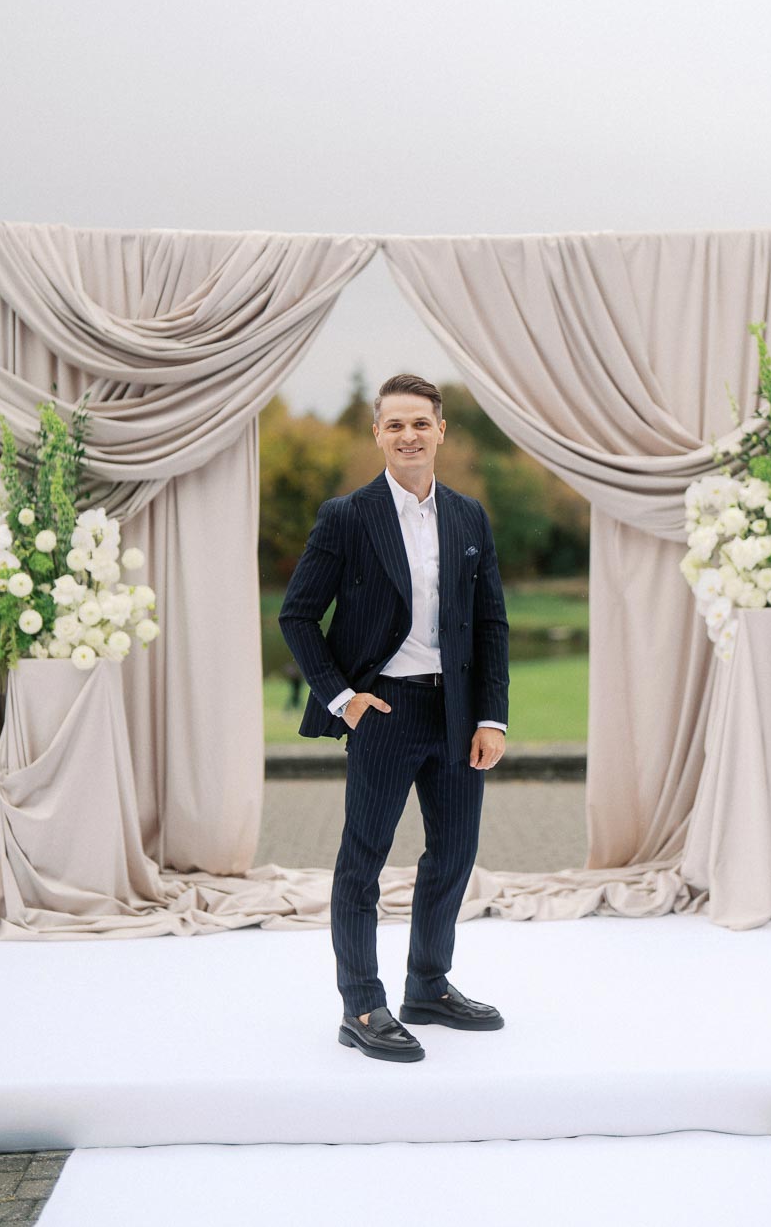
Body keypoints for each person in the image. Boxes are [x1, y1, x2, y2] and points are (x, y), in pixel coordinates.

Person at [279, 373, 509, 1063]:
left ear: (442, 431)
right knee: (363, 862)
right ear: (377, 433)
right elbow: (296, 615)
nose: (408, 435)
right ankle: (362, 1003)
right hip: (385, 712)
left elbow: (491, 622)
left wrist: (492, 717)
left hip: (459, 713)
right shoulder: (347, 517)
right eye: (394, 424)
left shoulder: (469, 517)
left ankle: (428, 986)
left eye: (420, 423)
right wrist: (342, 697)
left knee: (454, 854)